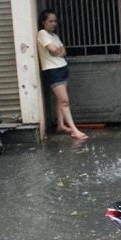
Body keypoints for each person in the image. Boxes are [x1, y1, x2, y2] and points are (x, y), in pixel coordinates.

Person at [37, 9, 88, 142]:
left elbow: (63, 52)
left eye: (55, 21)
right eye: (50, 21)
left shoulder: (54, 36)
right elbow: (54, 51)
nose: (53, 23)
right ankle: (75, 130)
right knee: (64, 101)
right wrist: (58, 50)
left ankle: (60, 125)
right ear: (43, 22)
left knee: (60, 100)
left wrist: (59, 51)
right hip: (52, 70)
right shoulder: (42, 34)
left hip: (62, 68)